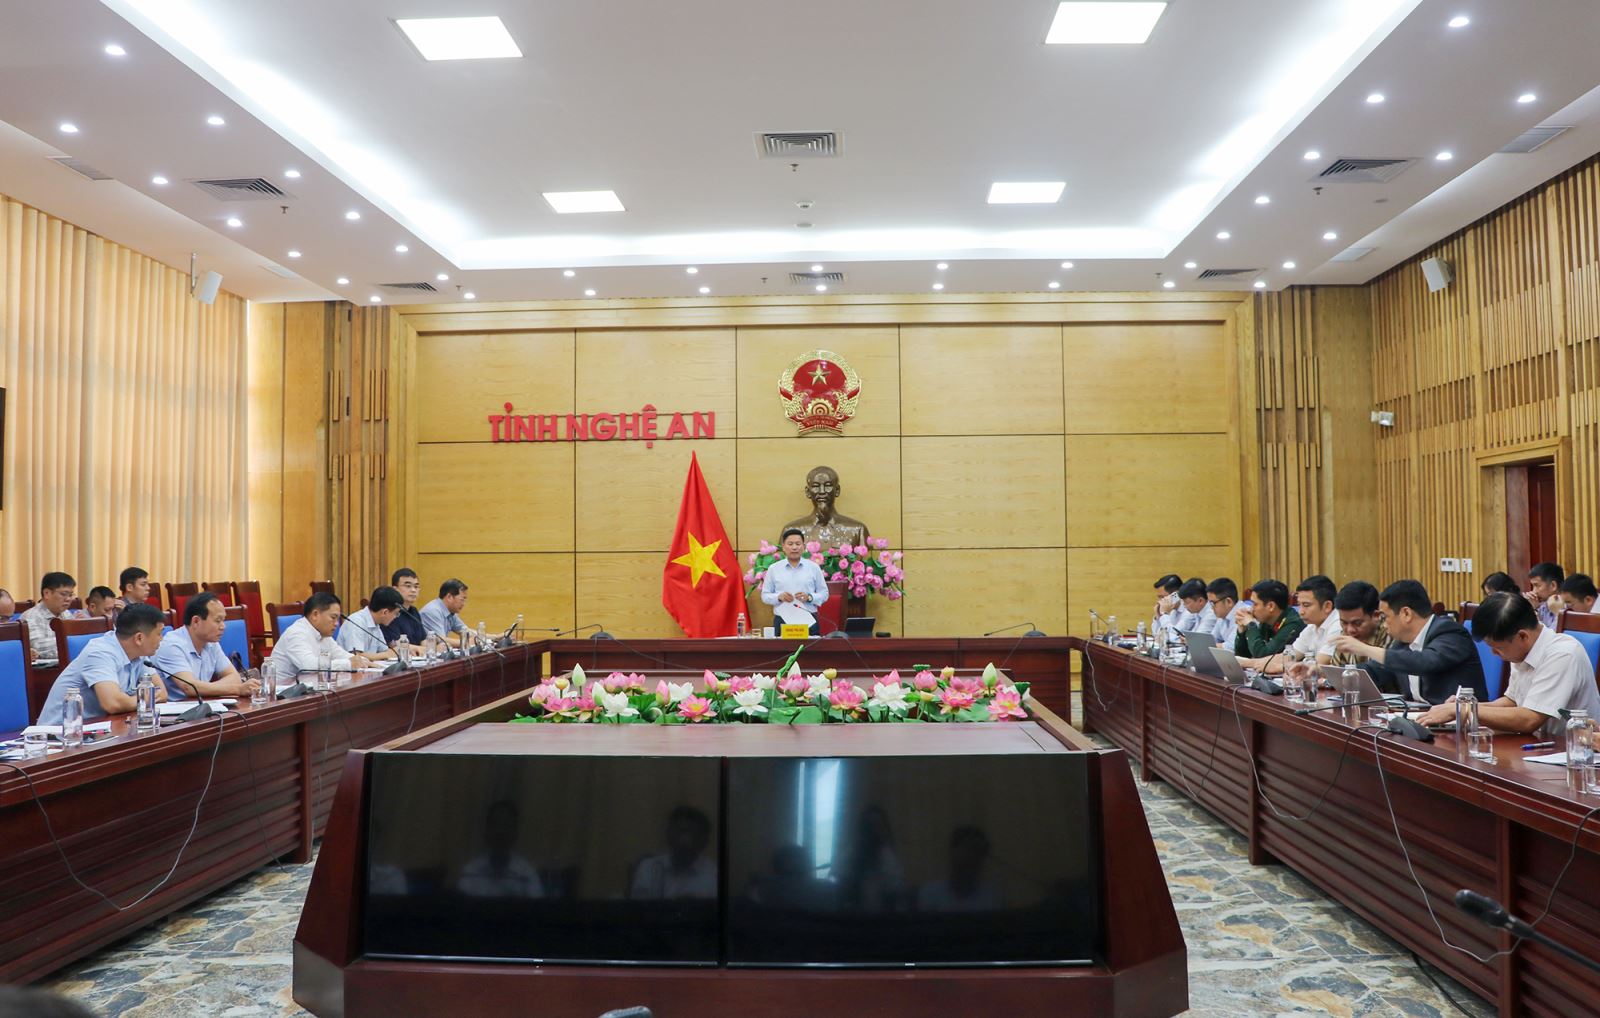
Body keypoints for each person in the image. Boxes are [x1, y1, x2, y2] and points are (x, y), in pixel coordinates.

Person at [1417, 592, 1600, 737]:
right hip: (1537, 746)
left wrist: (1466, 710)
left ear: (1522, 636)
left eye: (1498, 648)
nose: (1493, 654)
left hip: (1574, 753)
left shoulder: (1562, 654)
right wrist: (1462, 706)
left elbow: (1529, 719)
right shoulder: (1523, 651)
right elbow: (1512, 701)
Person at [1331, 579, 1487, 705]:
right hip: (1422, 719)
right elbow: (1375, 671)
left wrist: (1365, 649)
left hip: (1460, 723)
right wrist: (1330, 675)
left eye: (1385, 617)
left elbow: (1425, 662)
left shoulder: (1450, 632)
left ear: (1406, 614)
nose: (1384, 625)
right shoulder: (1404, 643)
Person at [36, 604, 167, 725]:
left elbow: (162, 693)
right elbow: (113, 703)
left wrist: (135, 700)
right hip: (61, 734)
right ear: (139, 638)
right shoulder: (100, 653)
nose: (162, 639)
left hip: (100, 729)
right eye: (159, 633)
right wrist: (146, 698)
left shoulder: (139, 653)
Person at [152, 592, 260, 700]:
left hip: (203, 704)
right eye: (218, 621)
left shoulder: (211, 643)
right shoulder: (172, 645)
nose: (223, 626)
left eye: (223, 620)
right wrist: (237, 689)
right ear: (196, 621)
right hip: (175, 708)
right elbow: (189, 687)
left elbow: (234, 677)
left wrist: (206, 689)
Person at [269, 592, 368, 682]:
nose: (336, 624)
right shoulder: (296, 633)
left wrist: (363, 662)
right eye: (333, 618)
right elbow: (309, 666)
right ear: (315, 614)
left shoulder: (324, 635)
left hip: (310, 687)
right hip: (284, 692)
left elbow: (341, 654)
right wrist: (348, 664)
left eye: (338, 619)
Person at [629, 805, 715, 900]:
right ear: (668, 834)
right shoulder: (649, 868)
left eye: (690, 832)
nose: (684, 839)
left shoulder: (712, 874)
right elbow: (638, 907)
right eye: (679, 831)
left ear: (704, 841)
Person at [1262, 574, 1342, 675]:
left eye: (1306, 605)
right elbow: (1288, 657)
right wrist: (1249, 662)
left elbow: (1318, 665)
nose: (1301, 611)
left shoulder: (1338, 624)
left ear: (1327, 606)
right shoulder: (1312, 626)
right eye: (1299, 605)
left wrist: (1279, 667)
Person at [783, 465, 870, 551]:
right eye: (816, 486)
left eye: (828, 486)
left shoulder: (857, 530)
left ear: (837, 490)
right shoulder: (791, 531)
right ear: (808, 492)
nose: (822, 491)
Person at [760, 528, 829, 635]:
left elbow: (824, 594)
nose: (794, 547)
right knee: (783, 647)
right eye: (790, 544)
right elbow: (765, 595)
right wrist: (779, 597)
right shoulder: (774, 568)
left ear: (804, 547)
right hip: (782, 619)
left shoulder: (814, 567)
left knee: (809, 647)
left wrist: (809, 597)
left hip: (809, 620)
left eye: (798, 544)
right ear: (783, 547)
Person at [1232, 579, 1305, 666]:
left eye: (1255, 604)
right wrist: (1242, 631)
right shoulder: (1266, 620)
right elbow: (1242, 656)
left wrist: (1251, 625)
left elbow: (1263, 656)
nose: (1251, 609)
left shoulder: (1293, 624)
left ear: (1270, 606)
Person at [1329, 581, 1390, 667]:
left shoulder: (1390, 631)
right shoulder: (1346, 634)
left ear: (1376, 615)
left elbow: (1385, 671)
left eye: (1357, 623)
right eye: (1344, 623)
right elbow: (1338, 671)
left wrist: (1363, 648)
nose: (1350, 630)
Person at [22, 572, 79, 662]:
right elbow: (38, 647)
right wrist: (73, 643)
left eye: (71, 595)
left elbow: (76, 640)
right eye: (64, 594)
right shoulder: (31, 616)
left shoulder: (66, 614)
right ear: (47, 593)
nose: (68, 599)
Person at [338, 586, 404, 659]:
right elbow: (356, 656)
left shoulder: (376, 623)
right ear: (385, 612)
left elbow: (384, 651)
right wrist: (387, 654)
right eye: (396, 613)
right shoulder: (356, 621)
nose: (396, 617)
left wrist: (393, 652)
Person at [380, 567, 427, 646]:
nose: (413, 590)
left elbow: (423, 640)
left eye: (416, 587)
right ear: (395, 589)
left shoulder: (414, 611)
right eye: (408, 586)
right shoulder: (389, 612)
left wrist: (432, 649)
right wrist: (423, 650)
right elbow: (396, 645)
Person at [419, 579, 469, 647]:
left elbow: (465, 631)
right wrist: (465, 642)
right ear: (449, 597)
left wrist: (480, 637)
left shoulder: (451, 612)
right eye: (462, 600)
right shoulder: (432, 611)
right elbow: (441, 640)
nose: (463, 604)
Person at [1527, 561, 1565, 629]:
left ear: (1553, 585)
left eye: (1537, 585)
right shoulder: (1542, 606)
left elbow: (1550, 634)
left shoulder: (1567, 608)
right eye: (1533, 586)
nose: (1534, 591)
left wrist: (1535, 611)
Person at [1205, 577, 1241, 647]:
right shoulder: (1222, 616)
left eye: (1213, 603)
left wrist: (1205, 646)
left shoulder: (1242, 614)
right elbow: (1213, 639)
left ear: (1229, 602)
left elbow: (1232, 647)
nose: (1211, 608)